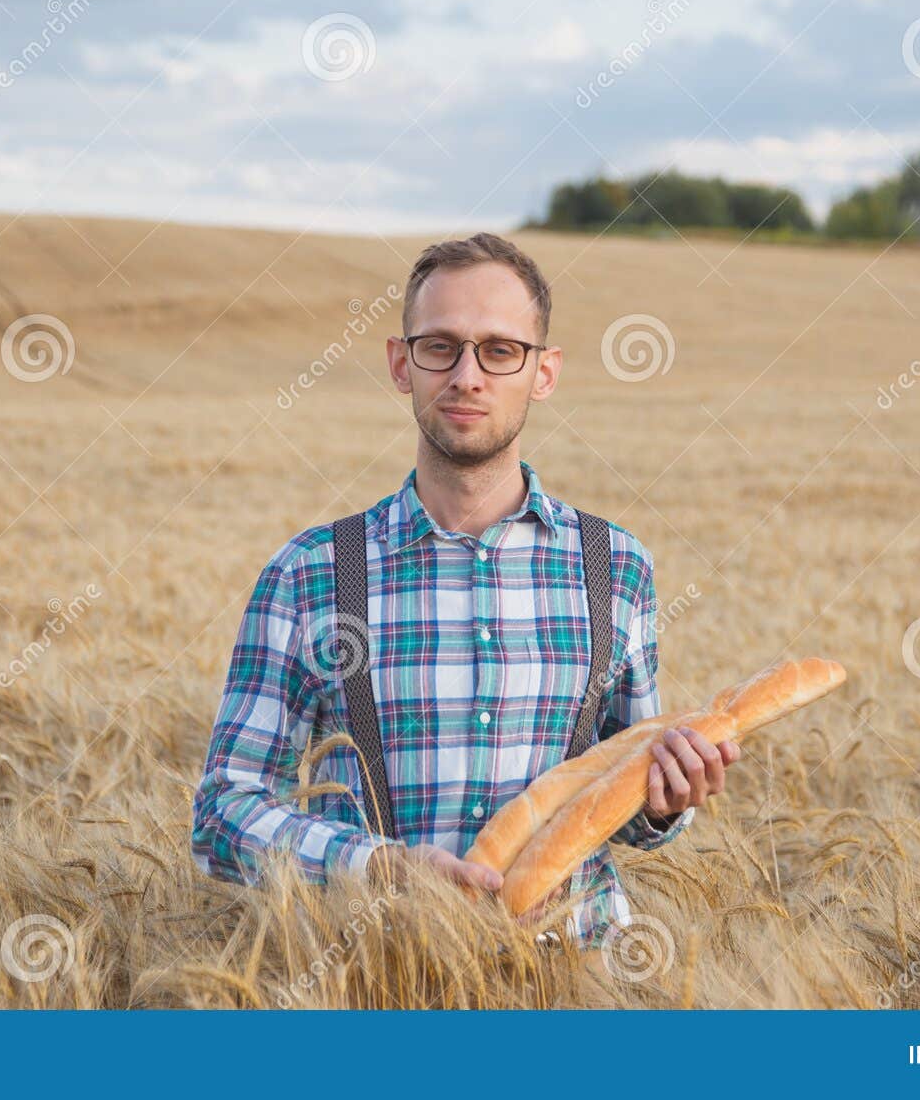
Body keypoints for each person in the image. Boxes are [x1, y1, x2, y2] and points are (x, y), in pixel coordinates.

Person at [190, 231, 739, 946]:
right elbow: (222, 813)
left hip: (579, 986)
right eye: (440, 346)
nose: (468, 376)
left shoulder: (616, 566)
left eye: (500, 350)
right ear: (400, 362)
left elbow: (625, 799)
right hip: (382, 984)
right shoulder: (311, 574)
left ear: (544, 372)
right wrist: (381, 867)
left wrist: (667, 801)